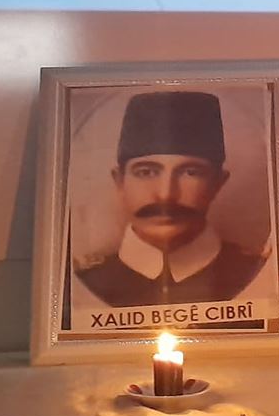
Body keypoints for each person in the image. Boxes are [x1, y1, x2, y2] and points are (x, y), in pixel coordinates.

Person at [74, 91, 266, 307]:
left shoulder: (258, 275)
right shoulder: (84, 283)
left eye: (190, 172)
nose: (166, 194)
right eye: (146, 172)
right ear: (119, 181)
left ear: (217, 183)